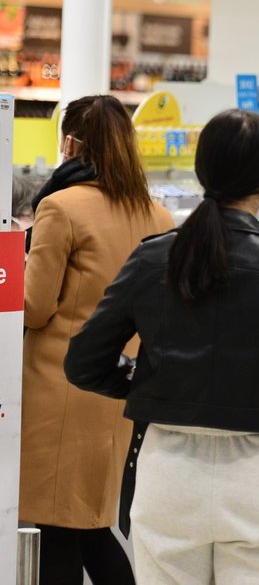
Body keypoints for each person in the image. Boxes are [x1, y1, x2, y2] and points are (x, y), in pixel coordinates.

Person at [64, 109, 259, 584]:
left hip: (169, 471)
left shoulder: (153, 257)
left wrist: (149, 382)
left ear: (202, 173)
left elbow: (84, 363)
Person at [20, 94, 174, 585]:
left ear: (70, 142)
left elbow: (35, 306)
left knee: (59, 528)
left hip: (56, 387)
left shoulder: (61, 207)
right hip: (117, 389)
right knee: (91, 524)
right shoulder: (157, 214)